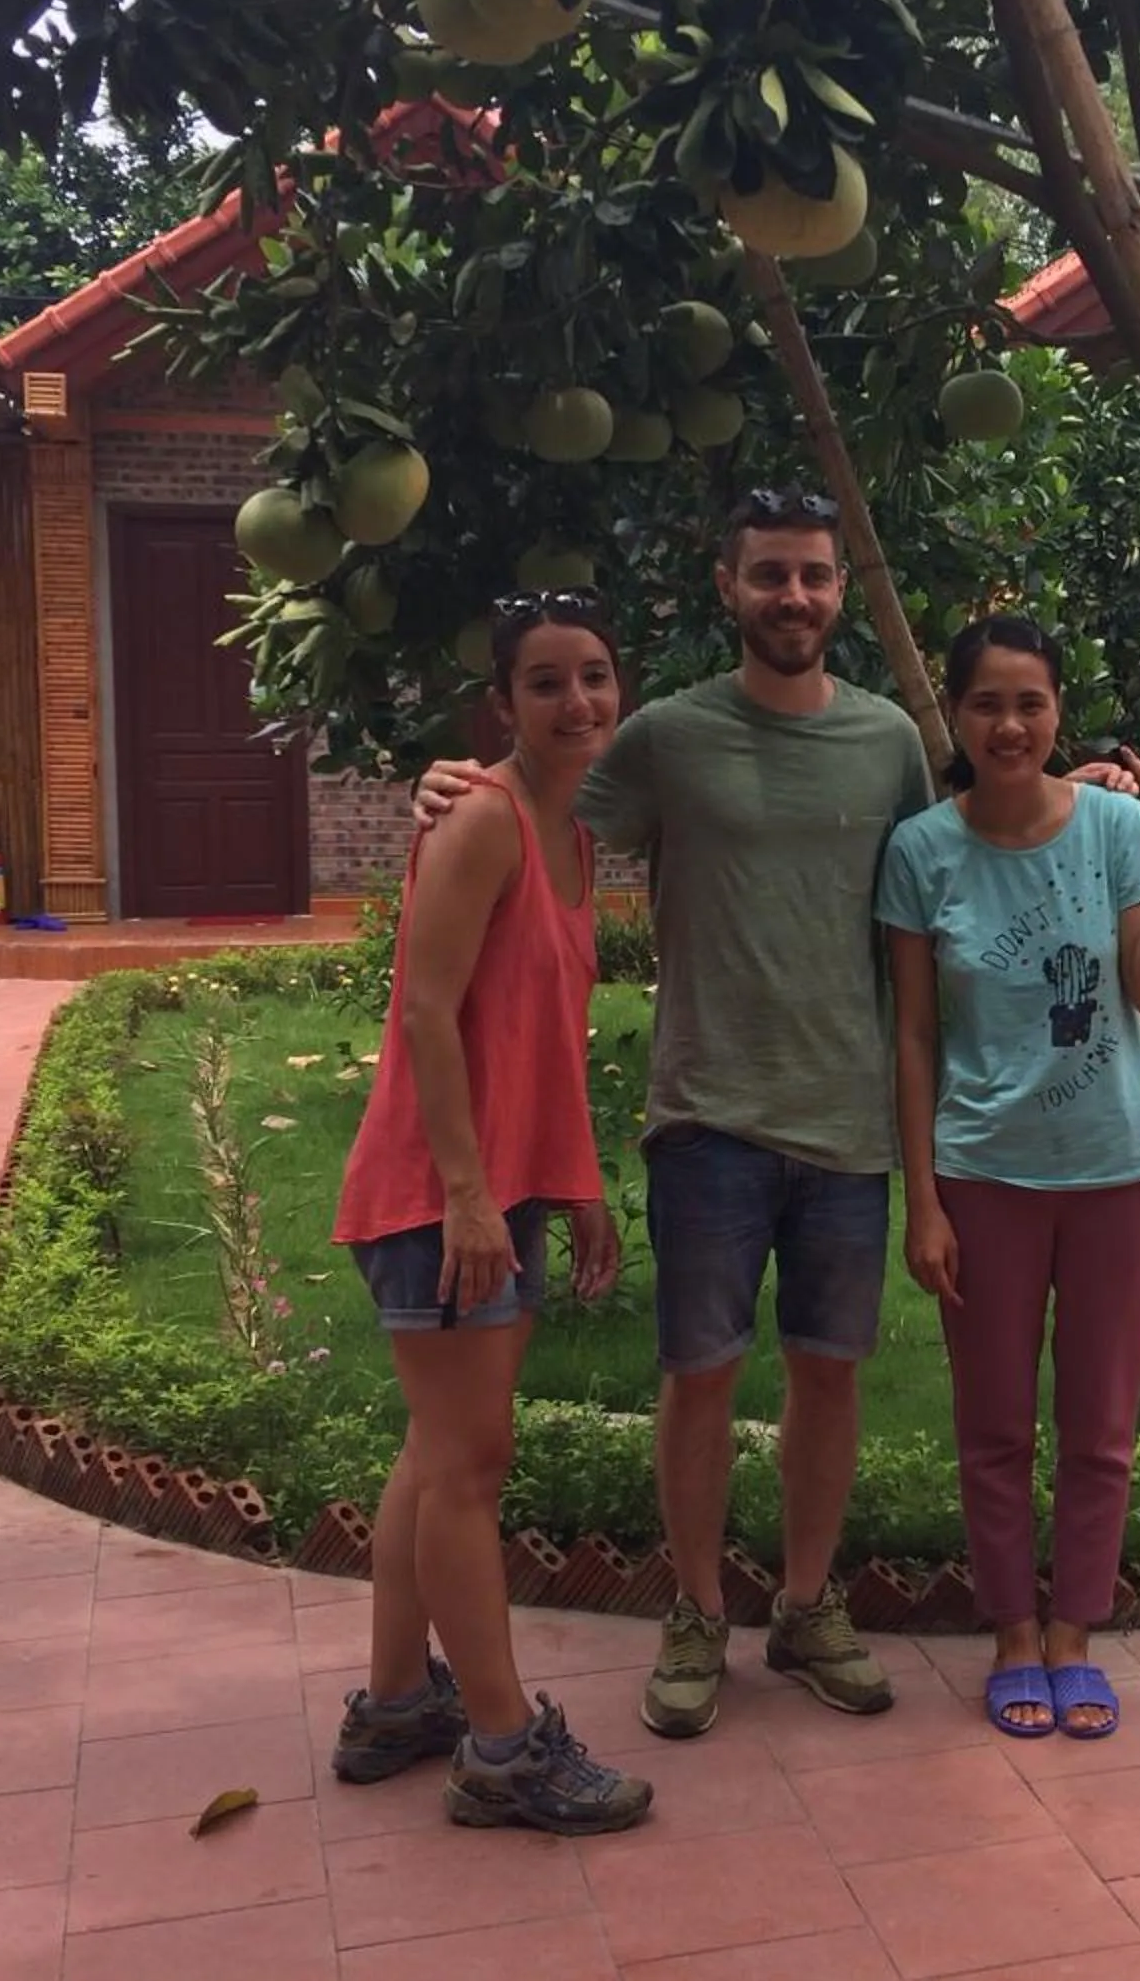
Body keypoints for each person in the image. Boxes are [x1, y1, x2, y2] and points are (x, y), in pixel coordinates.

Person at [416, 492, 943, 1738]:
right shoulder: (667, 736)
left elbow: (934, 904)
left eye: (813, 576)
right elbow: (538, 810)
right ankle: (698, 1612)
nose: (795, 598)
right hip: (706, 1114)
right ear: (730, 587)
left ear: (837, 591)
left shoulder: (887, 743)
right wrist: (452, 784)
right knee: (698, 1375)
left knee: (830, 1376)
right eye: (770, 575)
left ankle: (809, 1606)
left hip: (847, 1121)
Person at [327, 590, 653, 1834]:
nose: (578, 703)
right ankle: (505, 1750)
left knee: (437, 1450)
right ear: (501, 705)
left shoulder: (570, 840)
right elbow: (424, 1013)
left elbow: (534, 1043)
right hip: (436, 1193)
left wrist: (570, 1186)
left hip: (497, 1189)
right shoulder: (482, 821)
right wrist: (467, 1195)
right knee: (472, 1466)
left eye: (596, 676)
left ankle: (401, 1700)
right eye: (546, 683)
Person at [878, 616, 1140, 1738]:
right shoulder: (923, 851)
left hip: (1122, 1169)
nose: (1010, 725)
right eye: (987, 706)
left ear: (1060, 711)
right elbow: (914, 1038)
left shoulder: (1117, 824)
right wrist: (920, 1199)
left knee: (1101, 1426)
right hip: (983, 1175)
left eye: (1031, 702)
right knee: (995, 1426)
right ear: (958, 722)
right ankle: (1013, 1633)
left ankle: (1075, 1636)